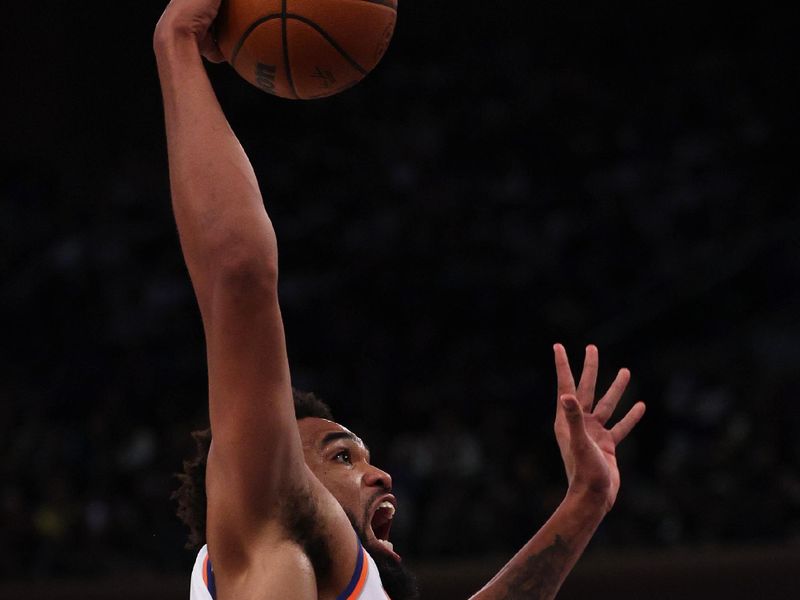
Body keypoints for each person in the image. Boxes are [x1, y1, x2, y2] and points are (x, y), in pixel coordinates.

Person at [153, 1, 647, 598]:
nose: (381, 474)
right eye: (340, 458)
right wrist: (176, 41)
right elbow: (239, 271)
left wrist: (585, 504)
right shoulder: (270, 523)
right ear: (267, 462)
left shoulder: (319, 571)